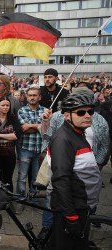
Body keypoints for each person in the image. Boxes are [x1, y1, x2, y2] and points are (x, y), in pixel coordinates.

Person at [46, 94, 102, 250]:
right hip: (72, 208)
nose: (87, 116)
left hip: (81, 204)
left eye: (90, 111)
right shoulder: (63, 139)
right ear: (66, 115)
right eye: (80, 112)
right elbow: (61, 179)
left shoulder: (78, 132)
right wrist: (71, 217)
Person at [17, 86, 46, 197]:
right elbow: (25, 129)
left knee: (36, 177)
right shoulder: (22, 110)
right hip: (26, 148)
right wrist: (40, 126)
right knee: (22, 177)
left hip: (40, 149)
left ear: (39, 97)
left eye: (34, 95)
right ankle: (20, 199)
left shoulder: (46, 111)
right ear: (27, 97)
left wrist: (31, 125)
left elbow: (47, 129)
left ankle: (34, 199)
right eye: (30, 95)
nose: (32, 97)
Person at [0, 96, 22, 192]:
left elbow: (16, 136)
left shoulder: (13, 119)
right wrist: (8, 137)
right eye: (3, 105)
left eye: (7, 105)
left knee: (7, 179)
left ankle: (8, 200)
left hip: (9, 154)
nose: (5, 107)